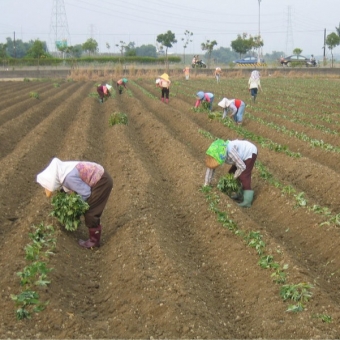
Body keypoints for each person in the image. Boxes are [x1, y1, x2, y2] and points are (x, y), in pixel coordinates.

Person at [36, 157, 113, 248]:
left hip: (102, 182)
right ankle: (94, 238)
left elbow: (86, 193)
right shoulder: (63, 172)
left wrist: (76, 209)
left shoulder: (68, 178)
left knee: (90, 211)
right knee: (88, 208)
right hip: (99, 177)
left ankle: (94, 241)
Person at [204, 139, 258, 207]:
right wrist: (206, 183)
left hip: (249, 152)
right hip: (239, 157)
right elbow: (211, 168)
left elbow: (242, 166)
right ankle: (239, 193)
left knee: (244, 175)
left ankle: (247, 201)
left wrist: (234, 177)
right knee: (231, 173)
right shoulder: (217, 153)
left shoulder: (230, 152)